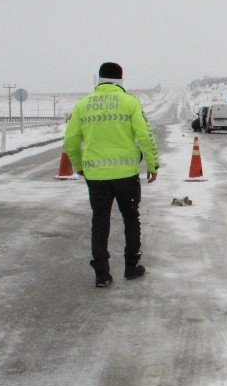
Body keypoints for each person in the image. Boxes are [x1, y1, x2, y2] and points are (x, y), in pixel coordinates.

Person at [64, 62, 159, 288]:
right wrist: (153, 164)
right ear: (121, 79)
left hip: (96, 177)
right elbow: (145, 135)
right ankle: (131, 267)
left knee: (100, 221)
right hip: (126, 175)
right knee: (130, 218)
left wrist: (80, 166)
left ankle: (102, 274)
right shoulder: (130, 102)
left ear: (99, 78)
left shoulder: (82, 105)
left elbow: (70, 142)